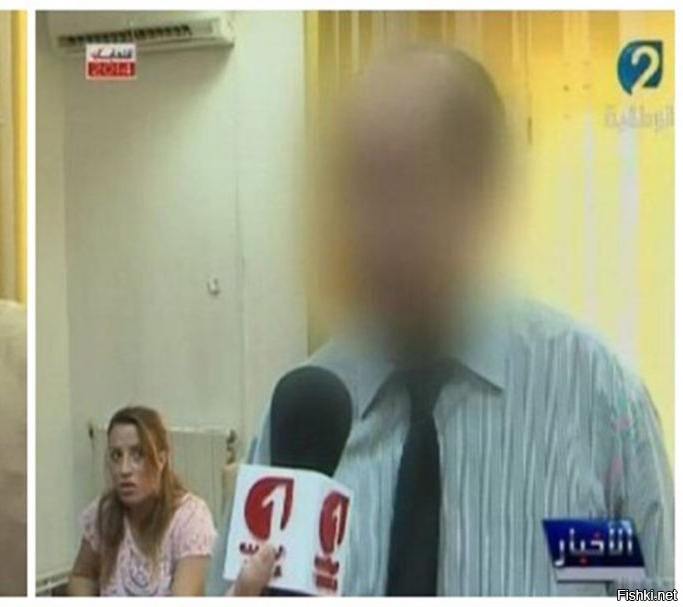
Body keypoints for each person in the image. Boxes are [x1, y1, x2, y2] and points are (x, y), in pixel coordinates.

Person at [226, 44, 673, 596]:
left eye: (404, 180)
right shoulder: (300, 424)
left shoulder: (599, 405)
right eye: (356, 186)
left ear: (482, 193)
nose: (375, 225)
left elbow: (649, 592)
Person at [67, 406, 216, 596]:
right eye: (116, 456)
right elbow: (82, 576)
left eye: (137, 455)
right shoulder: (104, 512)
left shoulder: (190, 517)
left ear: (161, 459)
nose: (124, 470)